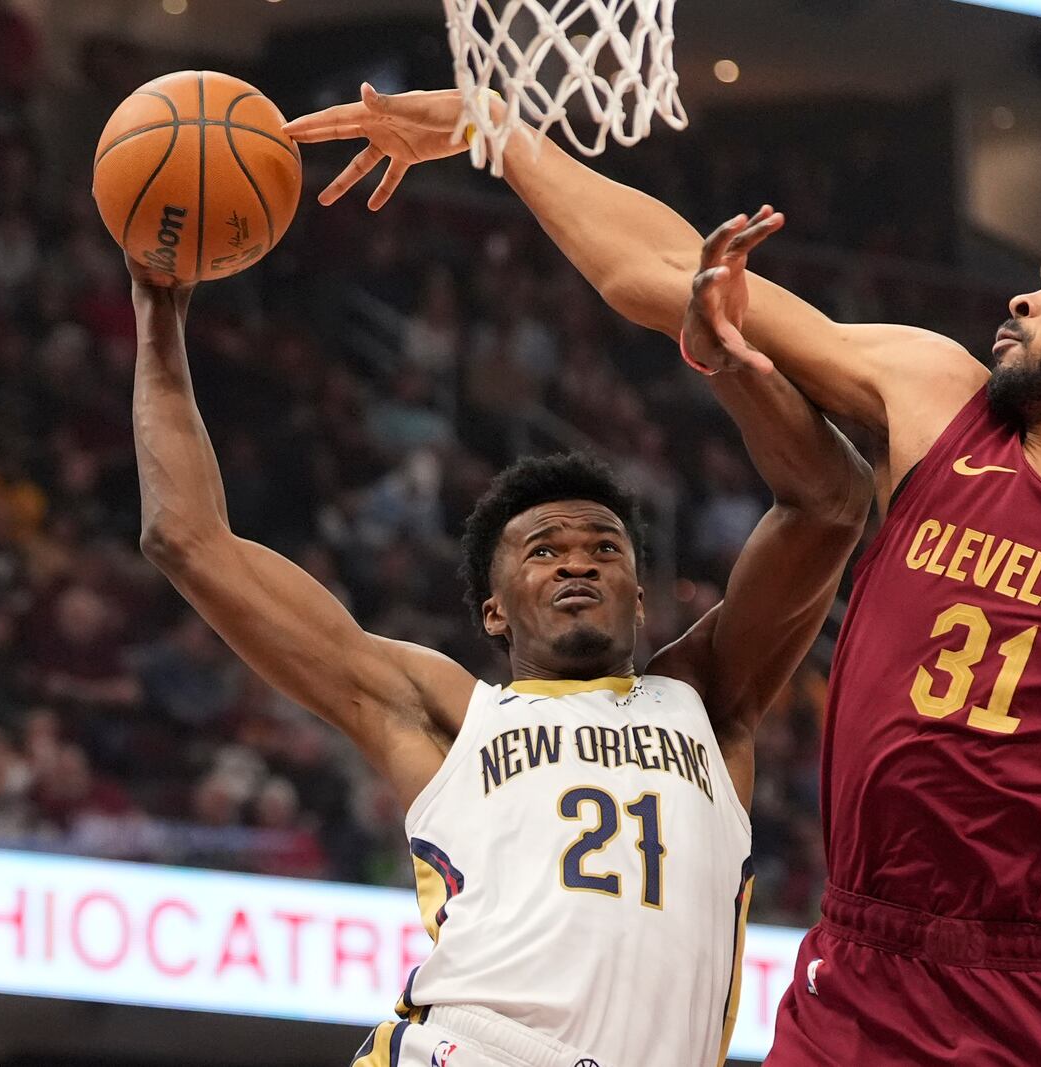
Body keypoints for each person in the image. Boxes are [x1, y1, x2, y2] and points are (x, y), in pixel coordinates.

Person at [284, 88, 1041, 1065]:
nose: (1023, 294)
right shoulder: (932, 398)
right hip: (864, 962)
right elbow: (663, 270)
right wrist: (499, 131)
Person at [127, 211, 870, 1067]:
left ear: (639, 600)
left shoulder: (706, 699)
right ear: (493, 609)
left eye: (604, 548)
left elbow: (830, 503)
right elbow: (186, 537)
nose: (577, 565)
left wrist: (724, 360)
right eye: (544, 551)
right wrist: (156, 314)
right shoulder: (445, 714)